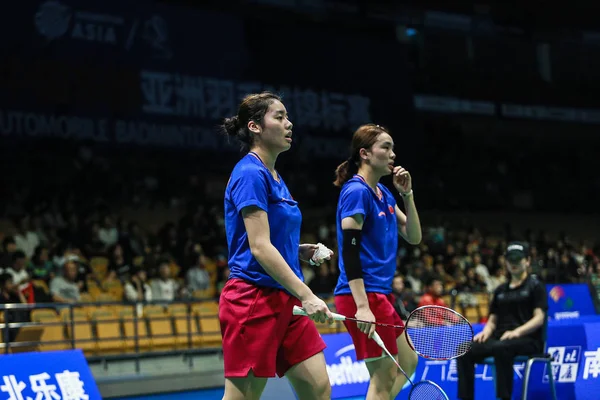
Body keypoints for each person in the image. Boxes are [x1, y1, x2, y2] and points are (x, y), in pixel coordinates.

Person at [219, 92, 334, 400]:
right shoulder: (250, 173)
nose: (289, 123)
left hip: (285, 300)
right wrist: (308, 294)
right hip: (254, 300)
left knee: (318, 389)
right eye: (279, 117)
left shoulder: (274, 176)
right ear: (255, 127)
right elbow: (258, 247)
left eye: (287, 117)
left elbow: (266, 240)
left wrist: (297, 250)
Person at [333, 123, 422, 400]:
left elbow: (414, 236)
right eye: (386, 147)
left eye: (393, 148)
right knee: (383, 378)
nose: (393, 154)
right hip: (362, 295)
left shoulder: (384, 195)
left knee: (408, 362)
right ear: (365, 154)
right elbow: (349, 250)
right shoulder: (356, 192)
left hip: (379, 295)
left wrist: (407, 195)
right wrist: (362, 306)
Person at [457, 242, 548, 400]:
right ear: (505, 262)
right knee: (464, 349)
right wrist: (485, 333)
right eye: (510, 260)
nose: (514, 263)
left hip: (529, 339)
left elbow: (539, 318)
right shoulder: (500, 290)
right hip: (501, 339)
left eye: (518, 259)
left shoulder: (536, 286)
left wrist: (517, 332)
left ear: (527, 261)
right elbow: (492, 320)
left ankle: (503, 398)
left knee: (502, 347)